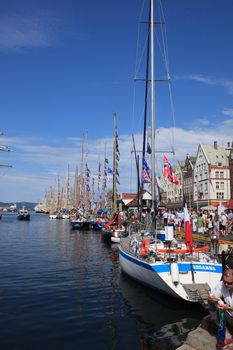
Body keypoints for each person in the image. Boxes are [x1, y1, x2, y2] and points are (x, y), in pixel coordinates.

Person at [208, 269, 233, 342]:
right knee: (211, 302)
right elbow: (211, 296)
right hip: (229, 315)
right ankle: (221, 327)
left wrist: (228, 307)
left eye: (229, 283)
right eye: (225, 282)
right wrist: (212, 299)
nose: (226, 285)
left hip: (229, 310)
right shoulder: (222, 284)